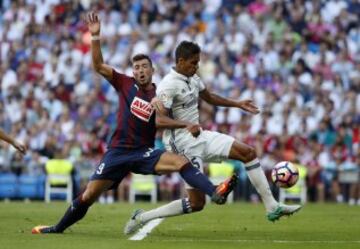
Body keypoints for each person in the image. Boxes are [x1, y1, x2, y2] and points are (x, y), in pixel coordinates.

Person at [32, 13, 236, 234]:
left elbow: (169, 116)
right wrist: (95, 36)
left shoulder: (162, 93)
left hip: (143, 152)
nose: (140, 70)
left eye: (144, 66)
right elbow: (99, 65)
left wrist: (185, 122)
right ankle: (57, 228)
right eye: (136, 67)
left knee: (180, 161)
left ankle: (215, 191)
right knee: (89, 194)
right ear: (133, 71)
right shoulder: (124, 83)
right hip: (118, 152)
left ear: (152, 70)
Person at [124, 41, 301, 234]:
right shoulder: (168, 85)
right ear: (181, 61)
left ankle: (272, 206)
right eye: (193, 62)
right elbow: (158, 120)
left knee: (248, 152)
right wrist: (186, 125)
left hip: (200, 135)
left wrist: (237, 104)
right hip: (181, 144)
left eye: (198, 62)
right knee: (197, 203)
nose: (196, 66)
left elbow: (209, 97)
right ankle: (142, 217)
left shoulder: (192, 77)